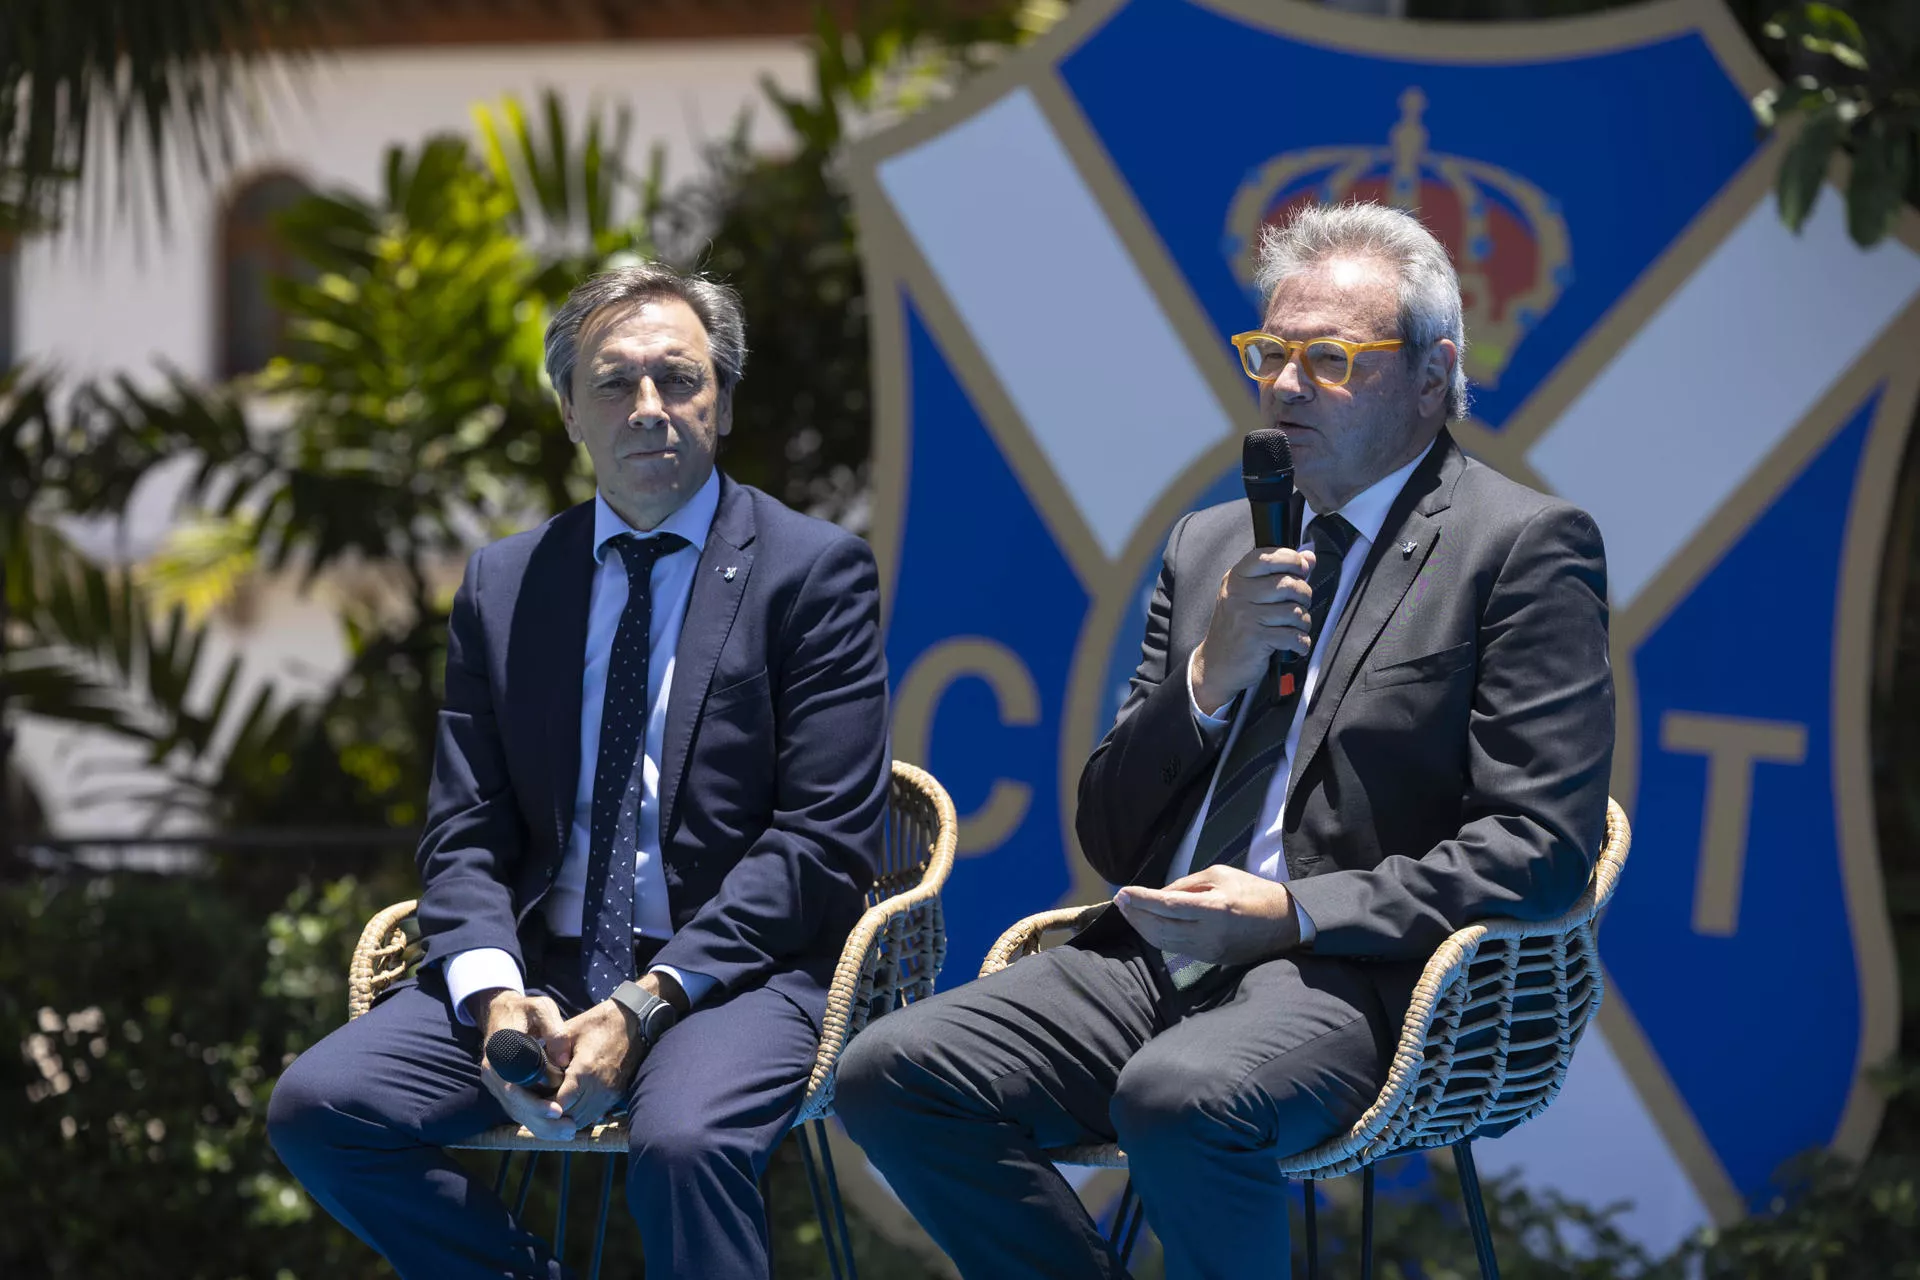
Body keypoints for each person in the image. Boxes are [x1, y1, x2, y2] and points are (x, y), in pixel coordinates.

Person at [834, 201, 1613, 1279]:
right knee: (889, 1073)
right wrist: (1207, 677)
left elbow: (1540, 848)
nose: (1287, 386)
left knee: (1179, 1097)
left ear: (1433, 378)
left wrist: (1295, 911)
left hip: (1357, 976)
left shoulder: (1519, 546)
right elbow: (1112, 832)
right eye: (1270, 354)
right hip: (1155, 956)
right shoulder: (1209, 545)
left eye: (1331, 359)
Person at [267, 263, 891, 1280]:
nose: (648, 406)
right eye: (614, 382)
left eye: (678, 379)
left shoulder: (812, 572)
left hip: (734, 974)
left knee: (684, 1146)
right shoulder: (506, 582)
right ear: (569, 411)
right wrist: (493, 995)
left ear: (723, 402)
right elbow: (465, 827)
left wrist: (648, 1001)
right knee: (321, 1108)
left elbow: (823, 840)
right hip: (541, 968)